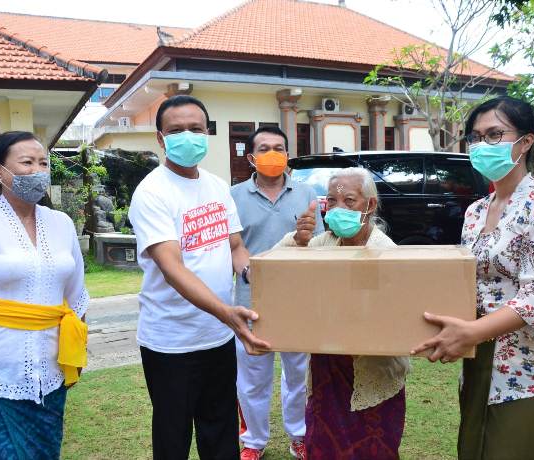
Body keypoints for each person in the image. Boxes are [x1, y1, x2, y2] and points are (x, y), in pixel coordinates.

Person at [412, 96, 534, 460]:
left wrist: (470, 332)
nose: (481, 146)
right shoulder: (475, 212)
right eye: (475, 137)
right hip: (478, 359)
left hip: (528, 369)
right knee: (471, 452)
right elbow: (465, 280)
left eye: (494, 134)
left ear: (526, 141)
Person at [128, 95, 270, 460]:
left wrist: (253, 273)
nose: (187, 136)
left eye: (195, 129)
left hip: (218, 338)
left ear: (207, 133)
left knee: (220, 431)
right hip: (171, 342)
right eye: (176, 130)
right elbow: (172, 268)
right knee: (173, 438)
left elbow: (236, 246)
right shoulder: (152, 193)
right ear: (161, 139)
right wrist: (227, 313)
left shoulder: (217, 185)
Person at [0, 131, 89, 459]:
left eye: (43, 163)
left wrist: (76, 355)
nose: (37, 170)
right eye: (27, 162)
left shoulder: (62, 223)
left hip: (51, 376)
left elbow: (77, 298)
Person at [276, 167, 410, 459]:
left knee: (373, 448)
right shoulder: (325, 243)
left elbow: (398, 315)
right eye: (332, 202)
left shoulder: (386, 252)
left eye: (349, 200)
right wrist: (298, 241)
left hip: (372, 370)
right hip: (328, 367)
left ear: (370, 205)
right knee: (324, 444)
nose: (338, 209)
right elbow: (276, 266)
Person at [231, 126, 324, 460]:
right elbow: (233, 247)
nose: (273, 154)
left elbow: (320, 244)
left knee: (298, 375)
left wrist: (304, 241)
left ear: (288, 155)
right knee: (252, 378)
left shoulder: (306, 194)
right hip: (250, 302)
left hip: (297, 303)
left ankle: (299, 435)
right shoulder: (234, 196)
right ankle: (253, 442)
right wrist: (246, 271)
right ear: (251, 158)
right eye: (265, 148)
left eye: (279, 148)